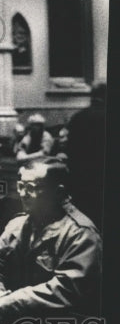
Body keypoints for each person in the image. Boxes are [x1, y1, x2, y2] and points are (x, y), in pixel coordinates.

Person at [0, 160, 102, 324]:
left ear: (58, 192)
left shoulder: (81, 234)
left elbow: (66, 289)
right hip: (11, 322)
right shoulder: (18, 225)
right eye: (21, 186)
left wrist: (9, 301)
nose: (23, 193)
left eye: (31, 187)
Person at [66, 82, 106, 229]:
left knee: (84, 223)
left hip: (81, 178)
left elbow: (70, 150)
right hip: (102, 178)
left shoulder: (78, 117)